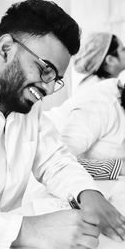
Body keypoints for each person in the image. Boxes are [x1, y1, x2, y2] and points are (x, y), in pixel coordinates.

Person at [0, 1, 124, 248]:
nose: (50, 89)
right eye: (45, 69)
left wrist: (87, 192)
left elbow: (55, 160)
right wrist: (24, 231)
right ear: (6, 48)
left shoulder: (28, 110)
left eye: (56, 79)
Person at [45, 32, 125, 180]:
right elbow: (59, 159)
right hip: (46, 151)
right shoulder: (100, 101)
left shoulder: (108, 93)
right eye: (123, 49)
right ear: (109, 59)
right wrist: (118, 167)